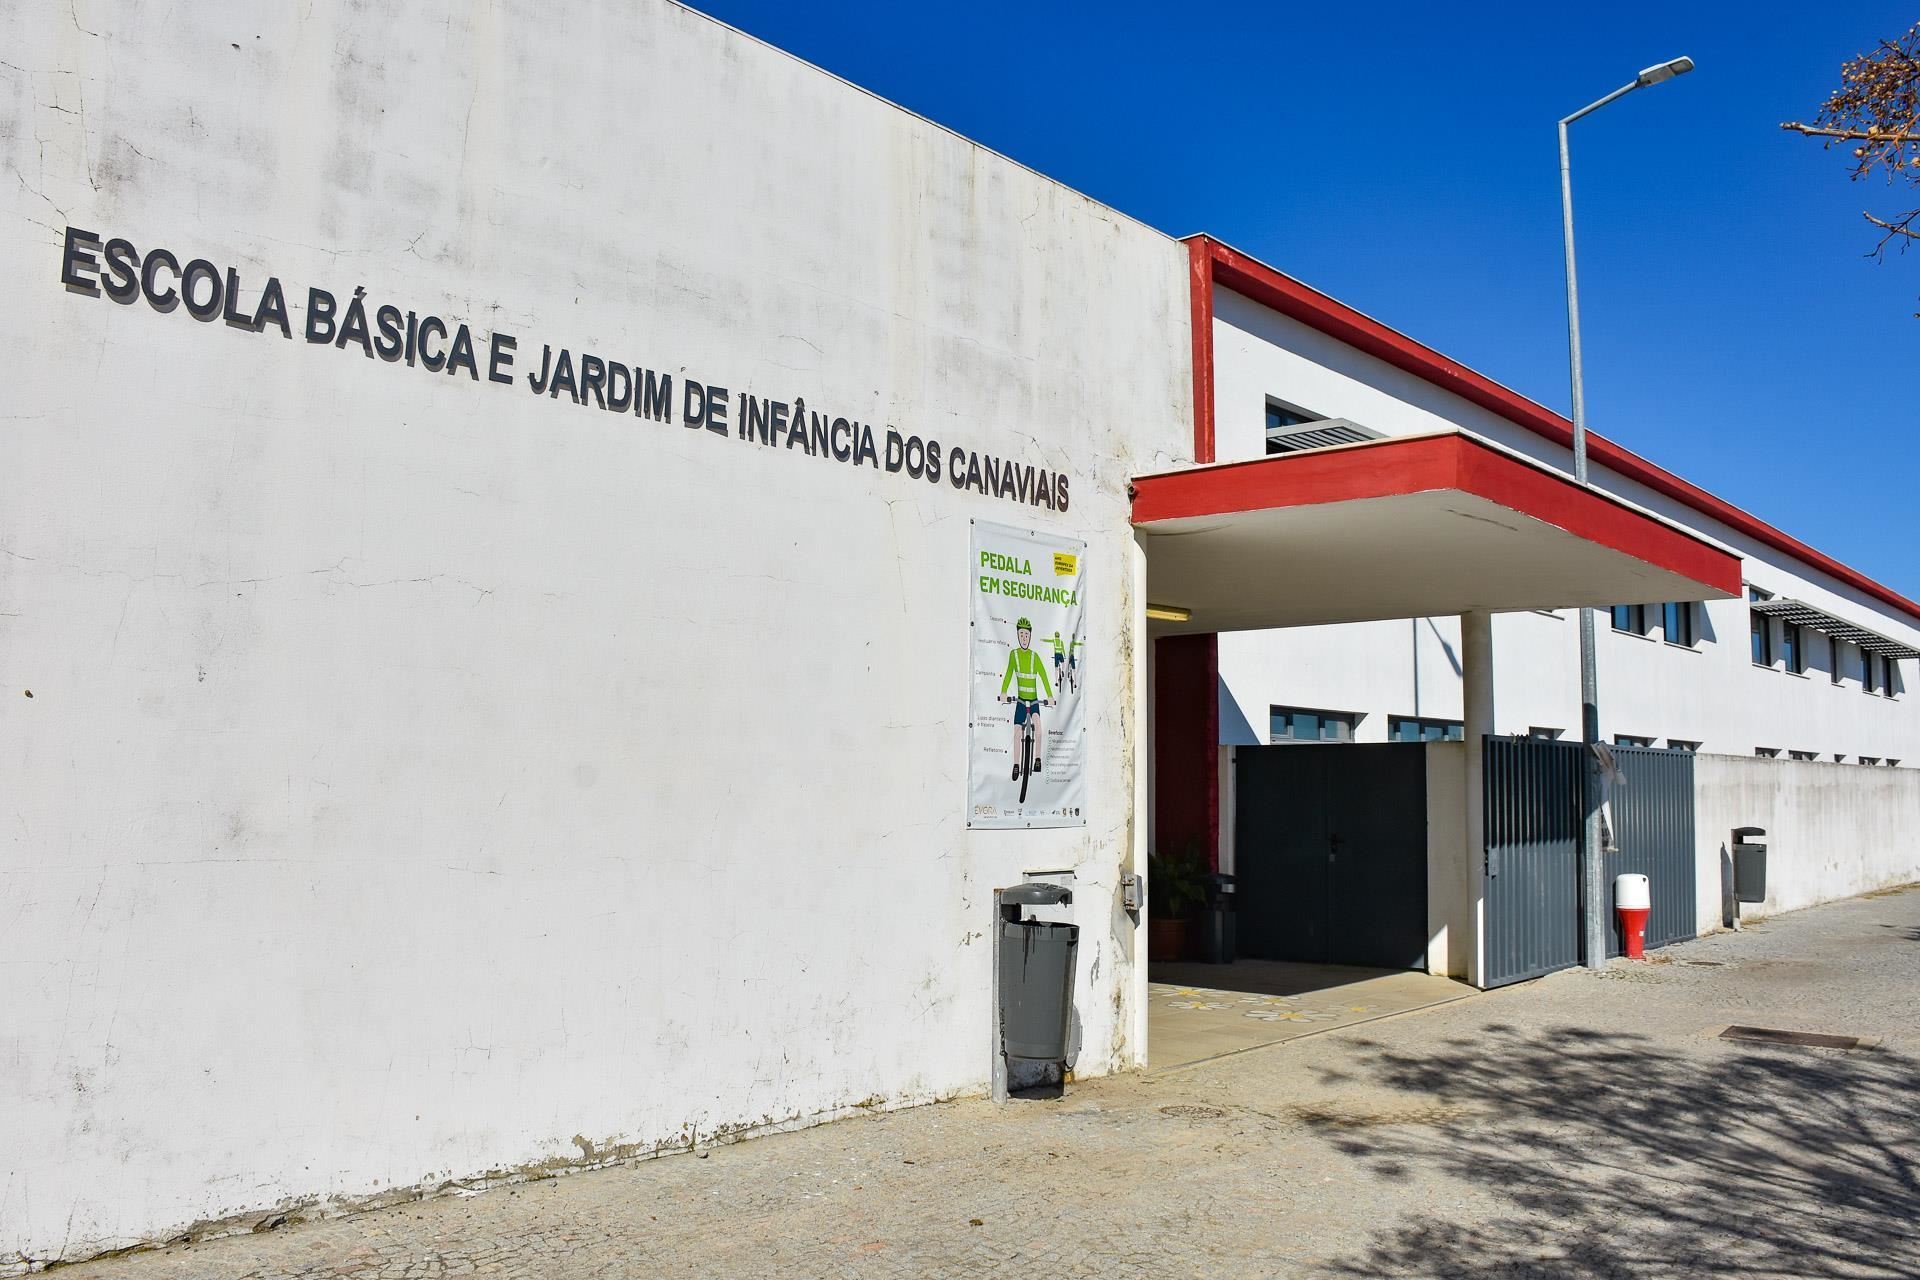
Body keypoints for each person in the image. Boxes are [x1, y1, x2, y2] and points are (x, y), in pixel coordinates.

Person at [999, 617, 1053, 779]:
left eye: (1026, 635)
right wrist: (1003, 693)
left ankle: (1037, 759)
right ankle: (1016, 764)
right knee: (1016, 732)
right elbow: (1009, 674)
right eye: (1021, 634)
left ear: (1030, 636)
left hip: (1035, 701)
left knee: (1038, 728)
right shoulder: (1013, 655)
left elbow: (1043, 676)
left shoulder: (1034, 657)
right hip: (1021, 701)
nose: (1024, 638)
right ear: (1017, 635)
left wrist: (1049, 696)